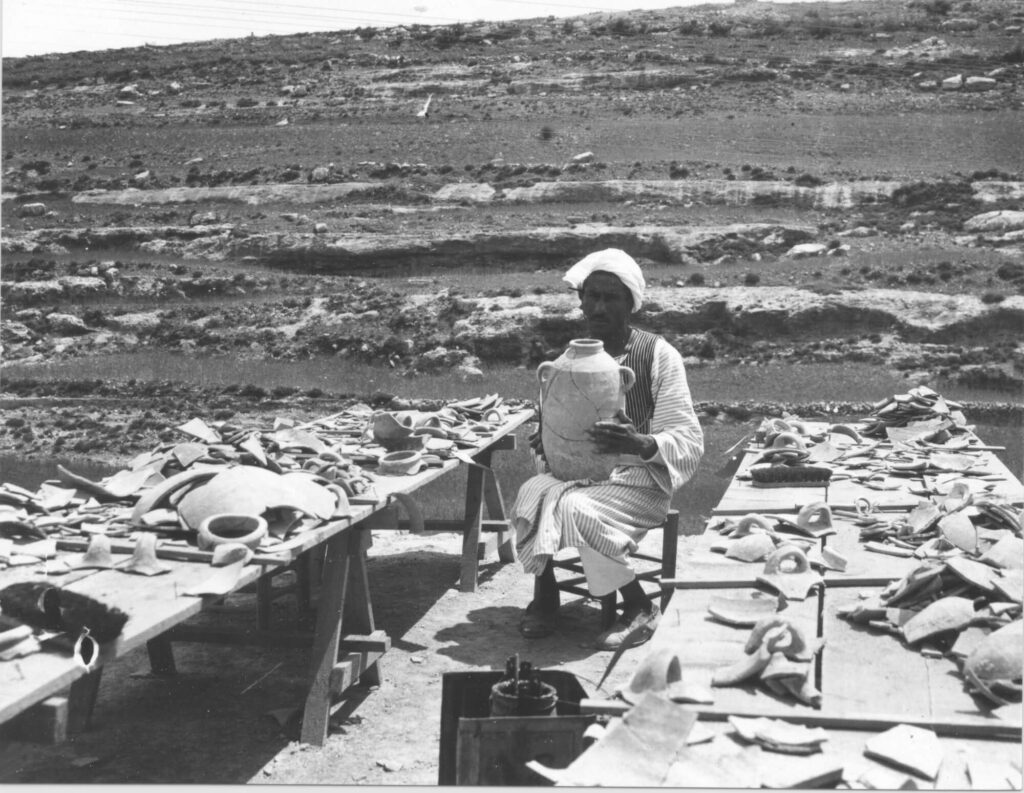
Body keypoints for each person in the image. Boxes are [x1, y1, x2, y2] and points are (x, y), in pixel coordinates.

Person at [511, 248, 704, 651]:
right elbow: (547, 427)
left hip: (640, 479)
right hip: (577, 474)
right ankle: (547, 597)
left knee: (574, 508)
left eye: (610, 298)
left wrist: (641, 443)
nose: (598, 306)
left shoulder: (657, 356)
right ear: (580, 300)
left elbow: (688, 437)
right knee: (531, 492)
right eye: (592, 296)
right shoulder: (567, 360)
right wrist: (544, 441)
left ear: (630, 304)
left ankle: (639, 606)